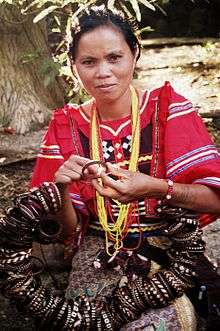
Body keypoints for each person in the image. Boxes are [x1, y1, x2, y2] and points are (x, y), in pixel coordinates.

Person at [31, 7, 220, 330]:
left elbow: (214, 199)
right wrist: (61, 189)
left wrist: (157, 188)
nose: (103, 72)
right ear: (73, 66)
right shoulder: (66, 125)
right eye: (88, 62)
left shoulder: (168, 109)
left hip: (168, 250)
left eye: (114, 57)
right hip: (97, 248)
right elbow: (64, 231)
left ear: (135, 54)